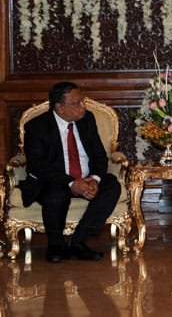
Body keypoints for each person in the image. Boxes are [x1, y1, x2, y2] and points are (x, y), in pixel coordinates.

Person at [21, 81, 122, 263]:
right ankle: (56, 245)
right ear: (60, 107)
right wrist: (71, 182)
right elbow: (37, 165)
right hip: (55, 180)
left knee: (112, 186)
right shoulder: (37, 127)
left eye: (81, 101)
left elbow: (100, 155)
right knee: (55, 194)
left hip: (86, 176)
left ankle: (78, 241)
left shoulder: (87, 119)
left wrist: (94, 179)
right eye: (76, 103)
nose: (82, 107)